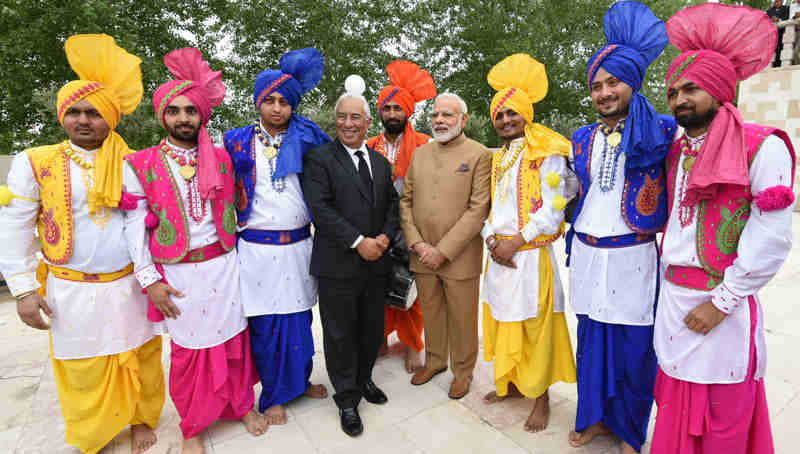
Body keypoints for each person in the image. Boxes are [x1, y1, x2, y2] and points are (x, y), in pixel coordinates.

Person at [0, 34, 165, 454]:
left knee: (140, 357)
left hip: (127, 284)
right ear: (62, 116)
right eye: (73, 111)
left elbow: (142, 223)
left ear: (110, 118)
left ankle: (141, 419)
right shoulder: (34, 161)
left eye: (93, 112)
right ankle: (96, 432)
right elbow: (15, 227)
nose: (83, 120)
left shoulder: (131, 162)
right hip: (70, 288)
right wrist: (22, 289)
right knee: (83, 367)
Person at [652, 4, 794, 453]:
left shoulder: (762, 146)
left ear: (719, 90)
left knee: (723, 416)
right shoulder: (678, 150)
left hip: (721, 306)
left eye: (691, 89)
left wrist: (721, 303)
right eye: (673, 91)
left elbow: (770, 239)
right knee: (674, 403)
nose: (679, 100)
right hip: (673, 299)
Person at [123, 48, 266, 454]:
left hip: (224, 267)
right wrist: (149, 281)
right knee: (189, 353)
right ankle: (192, 426)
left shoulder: (221, 158)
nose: (184, 117)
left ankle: (241, 406)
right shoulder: (141, 165)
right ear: (162, 115)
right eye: (175, 110)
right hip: (178, 273)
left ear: (202, 115)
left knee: (235, 341)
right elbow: (134, 231)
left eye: (191, 110)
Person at [565, 2, 677, 453]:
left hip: (633, 254)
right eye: (597, 86)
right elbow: (576, 188)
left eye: (613, 82)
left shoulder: (663, 132)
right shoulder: (582, 137)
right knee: (592, 341)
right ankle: (593, 418)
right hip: (589, 254)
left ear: (632, 82)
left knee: (634, 349)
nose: (604, 92)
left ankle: (630, 429)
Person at [224, 48, 331, 427]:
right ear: (257, 102)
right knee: (267, 326)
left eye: (284, 101)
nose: (276, 108)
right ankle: (273, 395)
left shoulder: (309, 139)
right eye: (269, 100)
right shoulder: (235, 141)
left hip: (300, 247)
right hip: (255, 251)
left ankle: (298, 383)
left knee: (299, 322)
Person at [480, 54, 577, 433]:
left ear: (526, 114)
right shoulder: (500, 157)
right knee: (505, 323)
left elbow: (552, 211)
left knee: (536, 329)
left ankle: (541, 398)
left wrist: (515, 244)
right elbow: (493, 208)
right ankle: (513, 385)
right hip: (500, 255)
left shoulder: (546, 152)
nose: (506, 120)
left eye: (512, 113)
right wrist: (491, 240)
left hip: (531, 255)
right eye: (500, 115)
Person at [301, 76, 400, 437]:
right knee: (339, 333)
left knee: (371, 329)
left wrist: (386, 238)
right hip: (338, 264)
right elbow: (320, 209)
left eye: (355, 117)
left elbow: (392, 204)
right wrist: (360, 241)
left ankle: (363, 380)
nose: (347, 123)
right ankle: (346, 398)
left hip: (377, 264)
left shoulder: (379, 162)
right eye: (342, 116)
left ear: (367, 122)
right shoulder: (319, 159)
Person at [400, 92, 491, 400]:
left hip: (459, 256)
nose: (439, 120)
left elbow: (478, 208)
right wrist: (417, 243)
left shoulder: (479, 154)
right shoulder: (421, 154)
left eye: (447, 115)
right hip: (422, 254)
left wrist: (443, 250)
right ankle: (436, 361)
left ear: (463, 120)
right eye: (436, 114)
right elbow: (406, 201)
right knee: (432, 312)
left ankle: (463, 371)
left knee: (463, 317)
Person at [367, 60, 437, 373]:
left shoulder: (425, 145)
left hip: (414, 227)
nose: (393, 114)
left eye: (398, 108)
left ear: (408, 111)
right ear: (380, 112)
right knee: (377, 286)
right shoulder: (370, 146)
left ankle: (412, 344)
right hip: (379, 228)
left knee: (412, 289)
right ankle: (381, 337)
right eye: (387, 108)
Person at [767, 0, 790, 67]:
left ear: (782, 1)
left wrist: (778, 19)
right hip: (772, 34)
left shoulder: (786, 8)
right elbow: (766, 19)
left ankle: (778, 65)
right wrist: (771, 19)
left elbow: (787, 18)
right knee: (771, 50)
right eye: (776, 1)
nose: (777, 2)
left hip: (782, 33)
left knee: (780, 50)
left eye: (778, 1)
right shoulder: (770, 10)